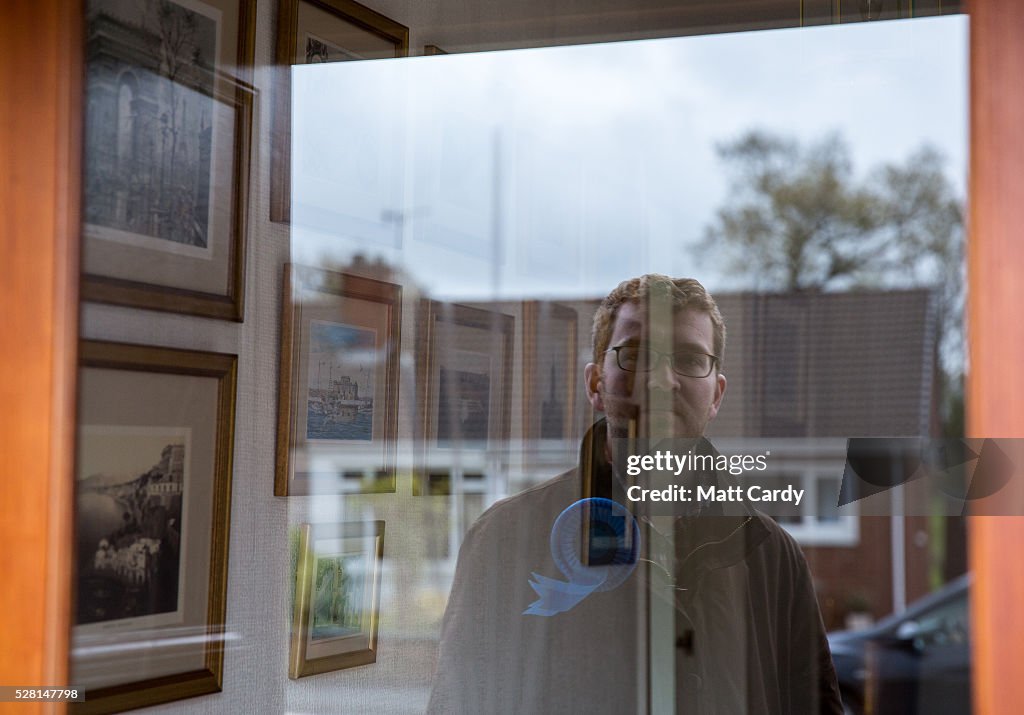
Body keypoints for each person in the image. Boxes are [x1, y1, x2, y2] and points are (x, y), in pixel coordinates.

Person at [428, 275, 843, 714]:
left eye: (689, 358)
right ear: (595, 385)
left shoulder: (772, 556)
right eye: (636, 355)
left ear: (716, 394)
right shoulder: (506, 538)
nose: (662, 380)